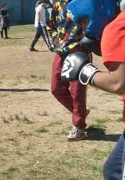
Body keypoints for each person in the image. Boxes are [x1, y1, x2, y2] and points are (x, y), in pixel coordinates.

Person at [61, 0, 125, 178]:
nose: (83, 29)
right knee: (113, 169)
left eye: (83, 22)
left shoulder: (117, 28)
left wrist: (84, 71)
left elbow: (118, 83)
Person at [47, 0, 90, 141]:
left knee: (77, 90)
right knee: (56, 88)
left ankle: (79, 127)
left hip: (79, 49)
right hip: (61, 51)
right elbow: (50, 25)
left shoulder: (83, 3)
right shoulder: (57, 4)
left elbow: (92, 24)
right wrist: (56, 41)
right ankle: (80, 113)